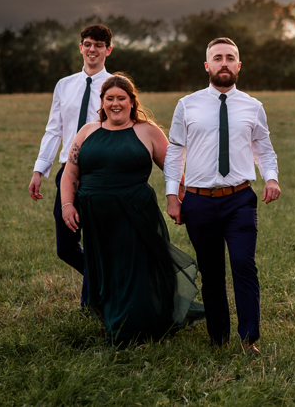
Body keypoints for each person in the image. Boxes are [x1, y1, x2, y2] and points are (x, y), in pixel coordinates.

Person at [58, 74, 204, 345]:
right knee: (107, 269)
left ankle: (128, 331)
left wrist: (186, 197)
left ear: (131, 101)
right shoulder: (88, 131)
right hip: (95, 217)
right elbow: (70, 174)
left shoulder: (147, 131)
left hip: (135, 214)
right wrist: (68, 205)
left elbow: (173, 168)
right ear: (102, 102)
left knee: (130, 268)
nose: (115, 103)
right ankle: (114, 317)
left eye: (121, 98)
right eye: (109, 98)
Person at [163, 38, 280, 354]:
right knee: (211, 271)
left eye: (230, 58)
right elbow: (174, 153)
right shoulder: (188, 105)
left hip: (240, 199)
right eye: (218, 58)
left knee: (244, 264)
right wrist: (173, 196)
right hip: (199, 201)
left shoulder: (253, 107)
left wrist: (271, 179)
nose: (224, 63)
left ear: (239, 65)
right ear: (208, 66)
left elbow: (265, 150)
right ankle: (218, 339)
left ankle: (249, 338)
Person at [28, 23, 114, 305]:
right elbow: (54, 130)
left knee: (96, 241)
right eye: (88, 44)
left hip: (100, 172)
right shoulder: (64, 85)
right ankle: (104, 279)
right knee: (65, 247)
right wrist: (40, 169)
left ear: (108, 50)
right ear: (81, 47)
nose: (92, 49)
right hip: (68, 173)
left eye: (98, 45)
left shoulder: (115, 86)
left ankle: (91, 306)